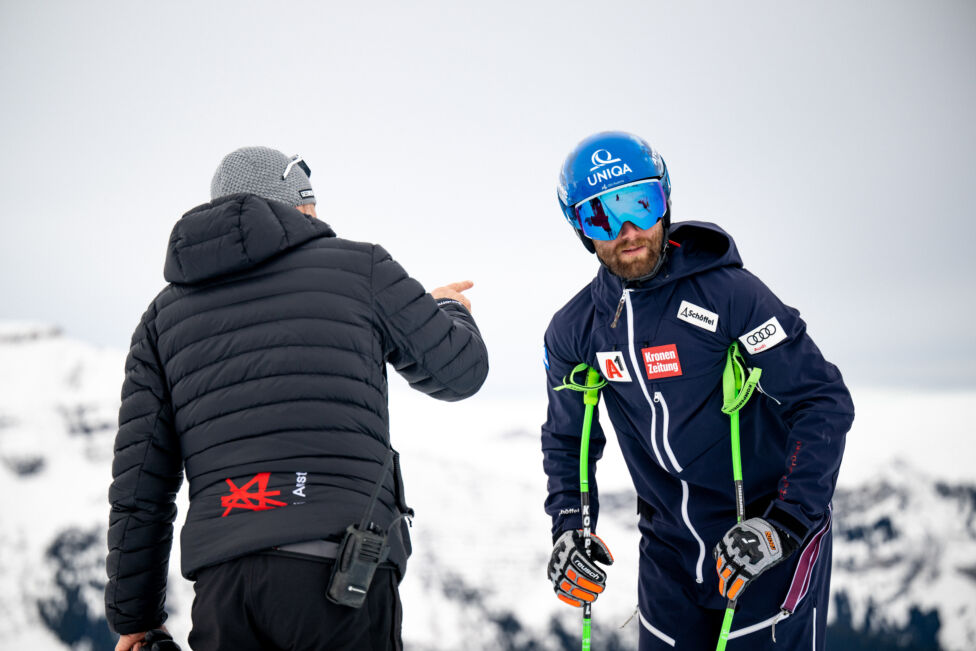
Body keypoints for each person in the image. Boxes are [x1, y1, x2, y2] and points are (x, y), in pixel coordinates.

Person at [105, 146, 489, 650]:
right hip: (338, 579)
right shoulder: (360, 267)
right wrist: (447, 309)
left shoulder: (162, 319)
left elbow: (140, 486)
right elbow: (460, 371)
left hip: (225, 588)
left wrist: (135, 617)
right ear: (298, 206)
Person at [542, 132, 854, 649]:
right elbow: (567, 439)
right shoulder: (576, 330)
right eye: (601, 216)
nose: (627, 230)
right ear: (579, 228)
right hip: (669, 556)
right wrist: (569, 528)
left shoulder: (731, 295)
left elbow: (821, 401)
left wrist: (784, 525)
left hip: (766, 544)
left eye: (641, 204)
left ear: (664, 203)